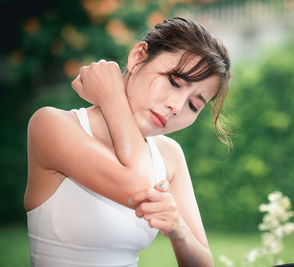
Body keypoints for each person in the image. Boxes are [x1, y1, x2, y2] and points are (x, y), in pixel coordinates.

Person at [24, 17, 231, 267]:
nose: (176, 107)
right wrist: (112, 97)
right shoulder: (52, 125)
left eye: (193, 105)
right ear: (138, 56)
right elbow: (140, 187)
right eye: (174, 82)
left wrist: (179, 229)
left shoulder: (169, 155)